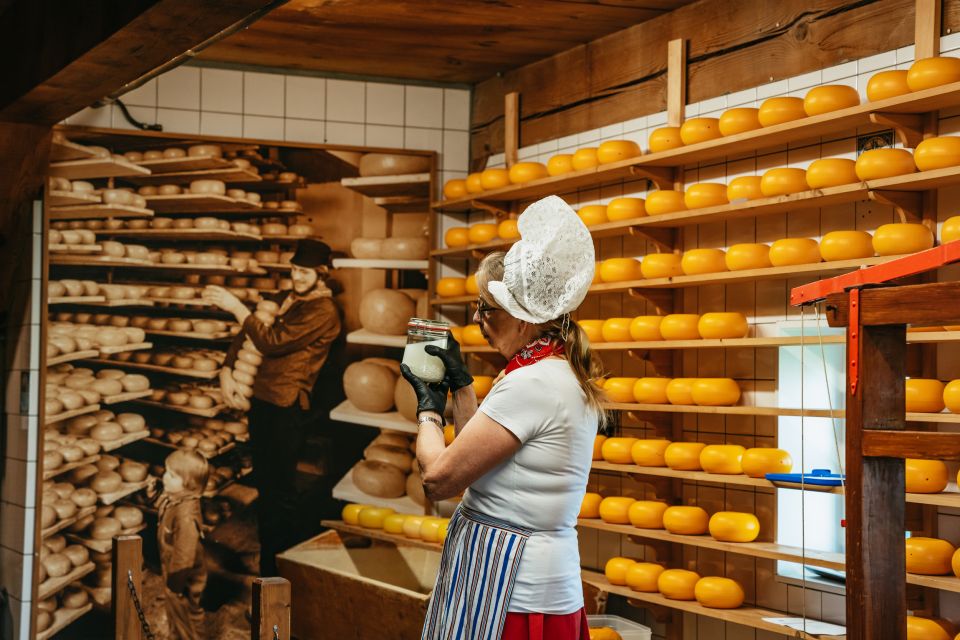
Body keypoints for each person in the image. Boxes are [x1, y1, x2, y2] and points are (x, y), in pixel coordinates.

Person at [401, 195, 606, 640]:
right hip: (527, 581)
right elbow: (486, 453)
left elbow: (439, 479)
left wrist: (427, 410)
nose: (478, 320)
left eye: (486, 309)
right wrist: (460, 388)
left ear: (522, 317)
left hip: (514, 592)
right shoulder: (556, 372)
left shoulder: (531, 384)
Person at [203, 238, 342, 575]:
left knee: (279, 492)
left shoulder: (322, 311)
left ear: (321, 274)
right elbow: (249, 335)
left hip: (286, 408)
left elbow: (271, 341)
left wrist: (238, 308)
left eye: (305, 272)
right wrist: (226, 369)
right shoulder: (287, 299)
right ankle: (270, 557)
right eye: (294, 269)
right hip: (263, 402)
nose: (297, 276)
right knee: (265, 485)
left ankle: (275, 574)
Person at [157, 449, 209, 640]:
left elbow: (185, 555)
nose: (164, 477)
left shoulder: (186, 516)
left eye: (171, 475)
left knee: (188, 618)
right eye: (166, 471)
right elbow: (164, 507)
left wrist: (175, 586)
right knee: (176, 614)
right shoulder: (177, 498)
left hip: (184, 577)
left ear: (189, 484)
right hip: (173, 570)